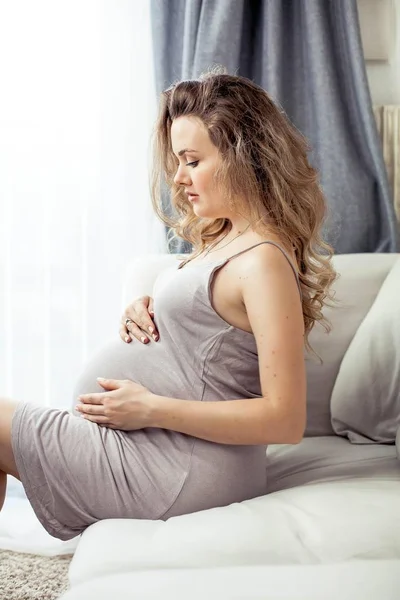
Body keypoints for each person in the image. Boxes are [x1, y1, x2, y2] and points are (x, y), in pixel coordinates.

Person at [0, 66, 337, 541]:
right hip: (166, 454)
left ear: (245, 157)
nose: (178, 177)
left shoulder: (262, 260)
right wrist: (147, 307)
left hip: (180, 469)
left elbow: (284, 418)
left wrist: (150, 409)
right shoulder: (226, 239)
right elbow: (210, 338)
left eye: (193, 160)